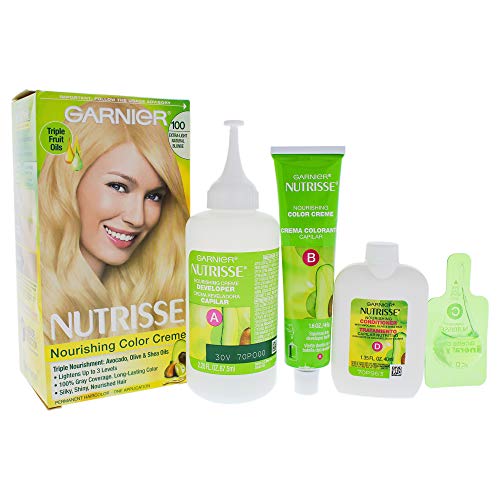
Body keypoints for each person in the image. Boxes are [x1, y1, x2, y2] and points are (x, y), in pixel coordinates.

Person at [39, 101, 188, 344]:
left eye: (153, 196)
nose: (137, 218)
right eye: (118, 187)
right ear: (70, 182)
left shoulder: (150, 299)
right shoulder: (43, 304)